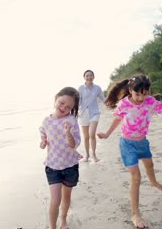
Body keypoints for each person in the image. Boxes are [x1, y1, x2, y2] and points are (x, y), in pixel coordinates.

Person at [97, 74, 162, 228]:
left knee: (150, 165)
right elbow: (117, 120)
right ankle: (135, 214)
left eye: (144, 94)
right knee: (136, 178)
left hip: (143, 143)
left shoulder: (150, 102)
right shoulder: (124, 104)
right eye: (137, 94)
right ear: (131, 90)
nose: (140, 98)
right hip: (127, 144)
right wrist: (106, 134)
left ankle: (153, 182)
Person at [39, 87, 82, 229]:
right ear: (56, 98)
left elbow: (73, 145)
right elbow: (42, 142)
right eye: (62, 102)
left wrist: (68, 133)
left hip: (70, 166)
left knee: (66, 197)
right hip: (53, 166)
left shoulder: (71, 121)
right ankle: (52, 227)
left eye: (68, 107)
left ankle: (63, 220)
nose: (63, 107)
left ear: (72, 109)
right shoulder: (46, 121)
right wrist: (43, 143)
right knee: (55, 200)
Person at [78, 70, 105, 162]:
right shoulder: (81, 88)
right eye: (87, 76)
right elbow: (78, 101)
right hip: (83, 113)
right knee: (86, 137)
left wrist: (113, 104)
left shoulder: (97, 88)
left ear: (93, 77)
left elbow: (103, 99)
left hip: (94, 113)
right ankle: (87, 156)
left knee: (92, 134)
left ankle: (94, 155)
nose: (89, 77)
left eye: (91, 75)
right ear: (84, 78)